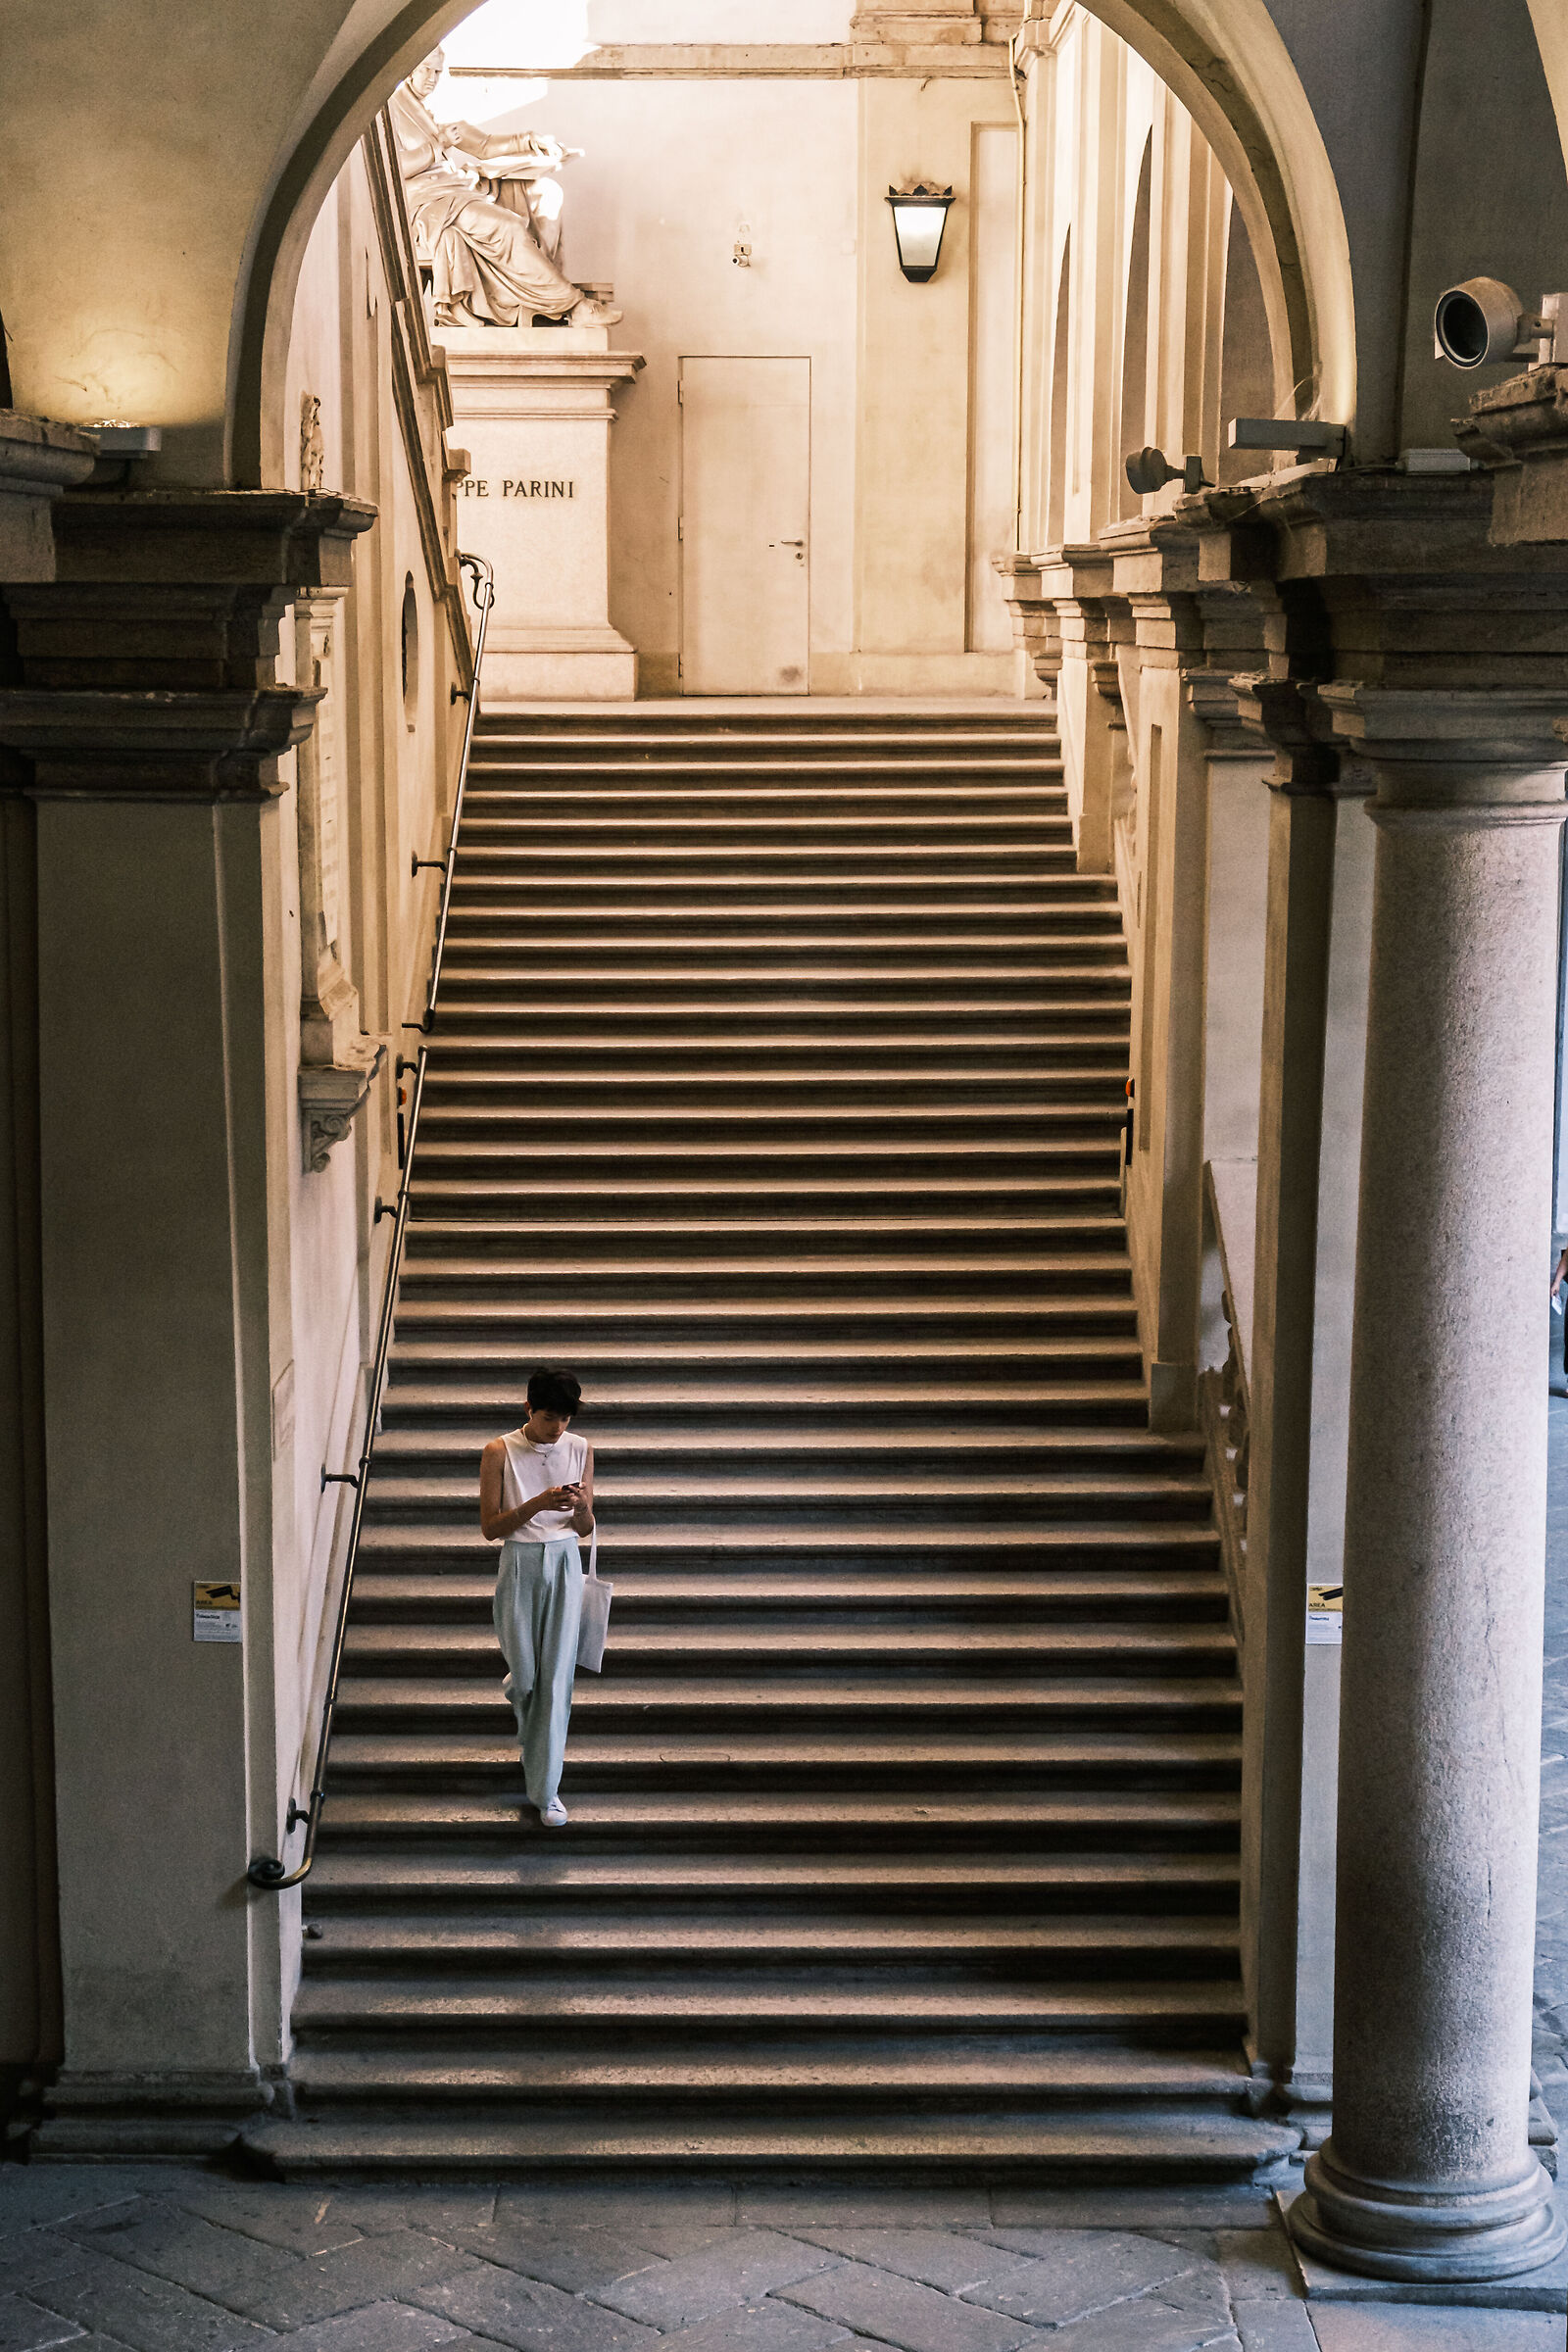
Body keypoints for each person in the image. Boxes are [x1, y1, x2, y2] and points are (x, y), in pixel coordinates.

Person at [388, 49, 622, 331]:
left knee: (545, 192)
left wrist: (530, 141)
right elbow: (395, 168)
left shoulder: (427, 112)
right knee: (509, 226)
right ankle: (575, 306)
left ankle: (537, 292)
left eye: (437, 72)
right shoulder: (391, 109)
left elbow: (484, 145)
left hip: (457, 190)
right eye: (426, 70)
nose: (432, 78)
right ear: (409, 70)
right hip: (429, 203)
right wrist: (438, 144)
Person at [479, 1367, 595, 1828]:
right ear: (529, 1408)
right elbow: (491, 1528)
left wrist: (580, 1506)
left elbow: (585, 1527)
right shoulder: (499, 1451)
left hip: (565, 1561)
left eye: (565, 1419)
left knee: (556, 1682)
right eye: (549, 1418)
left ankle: (546, 1792)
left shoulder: (580, 1448)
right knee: (526, 1678)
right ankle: (520, 1692)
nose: (558, 1428)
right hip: (520, 1563)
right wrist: (538, 1504)